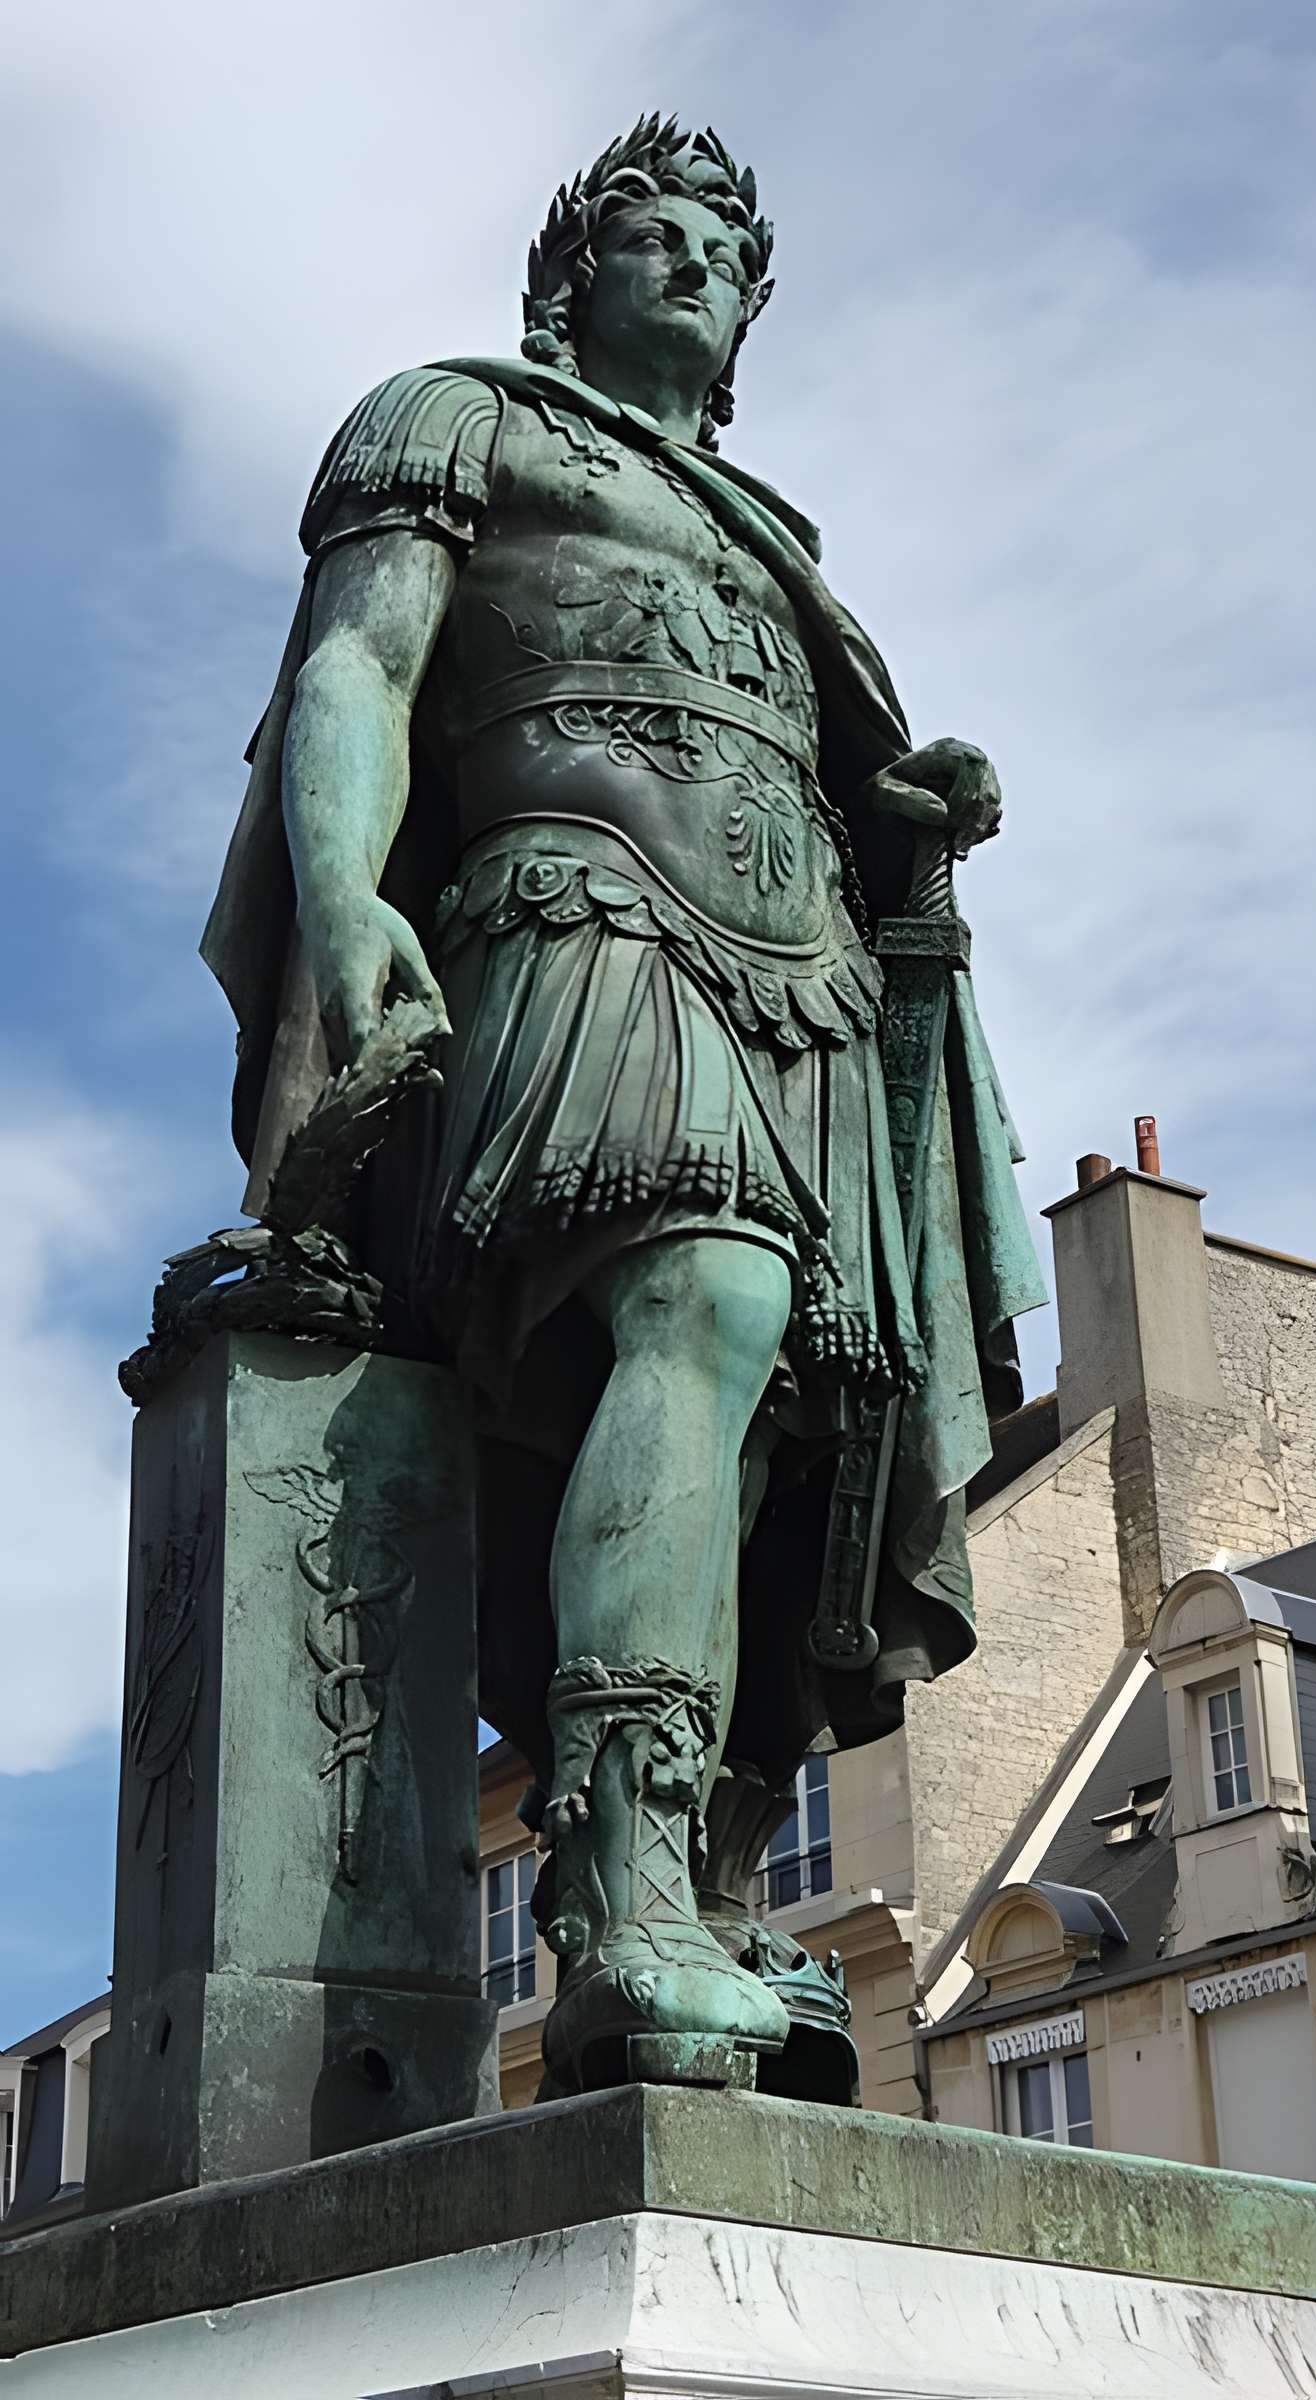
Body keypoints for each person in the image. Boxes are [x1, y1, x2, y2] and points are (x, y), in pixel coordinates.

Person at [203, 117, 1045, 2096]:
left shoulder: (777, 541)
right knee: (706, 1301)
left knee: (788, 1438)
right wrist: (345, 903)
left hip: (808, 981)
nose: (695, 268)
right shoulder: (454, 420)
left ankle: (722, 1880)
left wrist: (906, 818)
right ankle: (615, 1895)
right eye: (653, 238)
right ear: (567, 279)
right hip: (578, 909)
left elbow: (822, 778)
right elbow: (355, 671)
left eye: (726, 256)